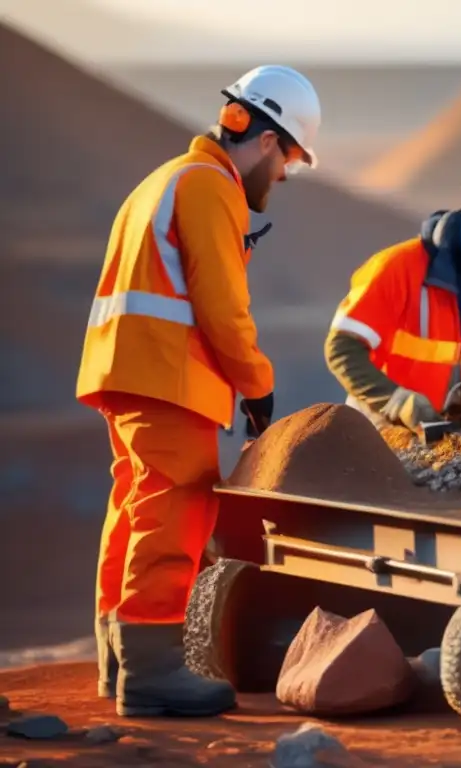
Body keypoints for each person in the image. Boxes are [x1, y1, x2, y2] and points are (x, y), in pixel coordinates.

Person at [75, 65, 322, 717]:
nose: (289, 173)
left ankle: (116, 659)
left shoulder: (163, 179)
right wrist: (257, 385)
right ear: (268, 141)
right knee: (175, 507)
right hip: (169, 378)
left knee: (133, 505)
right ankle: (152, 672)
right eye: (292, 155)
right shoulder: (210, 187)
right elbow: (221, 307)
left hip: (126, 373)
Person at [325, 152, 461, 430]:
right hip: (375, 434)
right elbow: (342, 348)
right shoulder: (398, 268)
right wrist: (396, 401)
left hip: (450, 444)